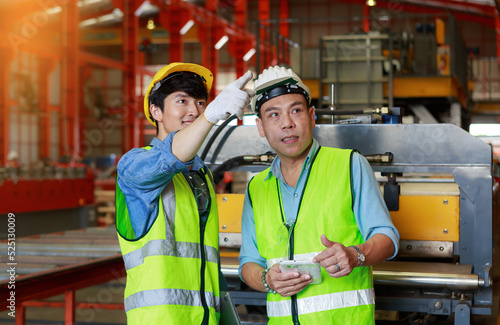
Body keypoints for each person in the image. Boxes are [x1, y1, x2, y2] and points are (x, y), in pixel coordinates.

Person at [238, 66, 399, 324]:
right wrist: (266, 279)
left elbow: (387, 238)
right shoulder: (257, 188)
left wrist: (356, 255)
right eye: (273, 114)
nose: (287, 123)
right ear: (260, 126)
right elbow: (248, 262)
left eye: (296, 110)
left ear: (312, 116)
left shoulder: (349, 165)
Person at [115, 62, 254, 324]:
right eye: (182, 101)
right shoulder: (134, 166)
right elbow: (168, 157)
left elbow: (203, 256)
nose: (195, 110)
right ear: (156, 111)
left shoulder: (199, 175)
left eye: (201, 103)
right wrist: (210, 116)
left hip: (206, 316)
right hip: (162, 318)